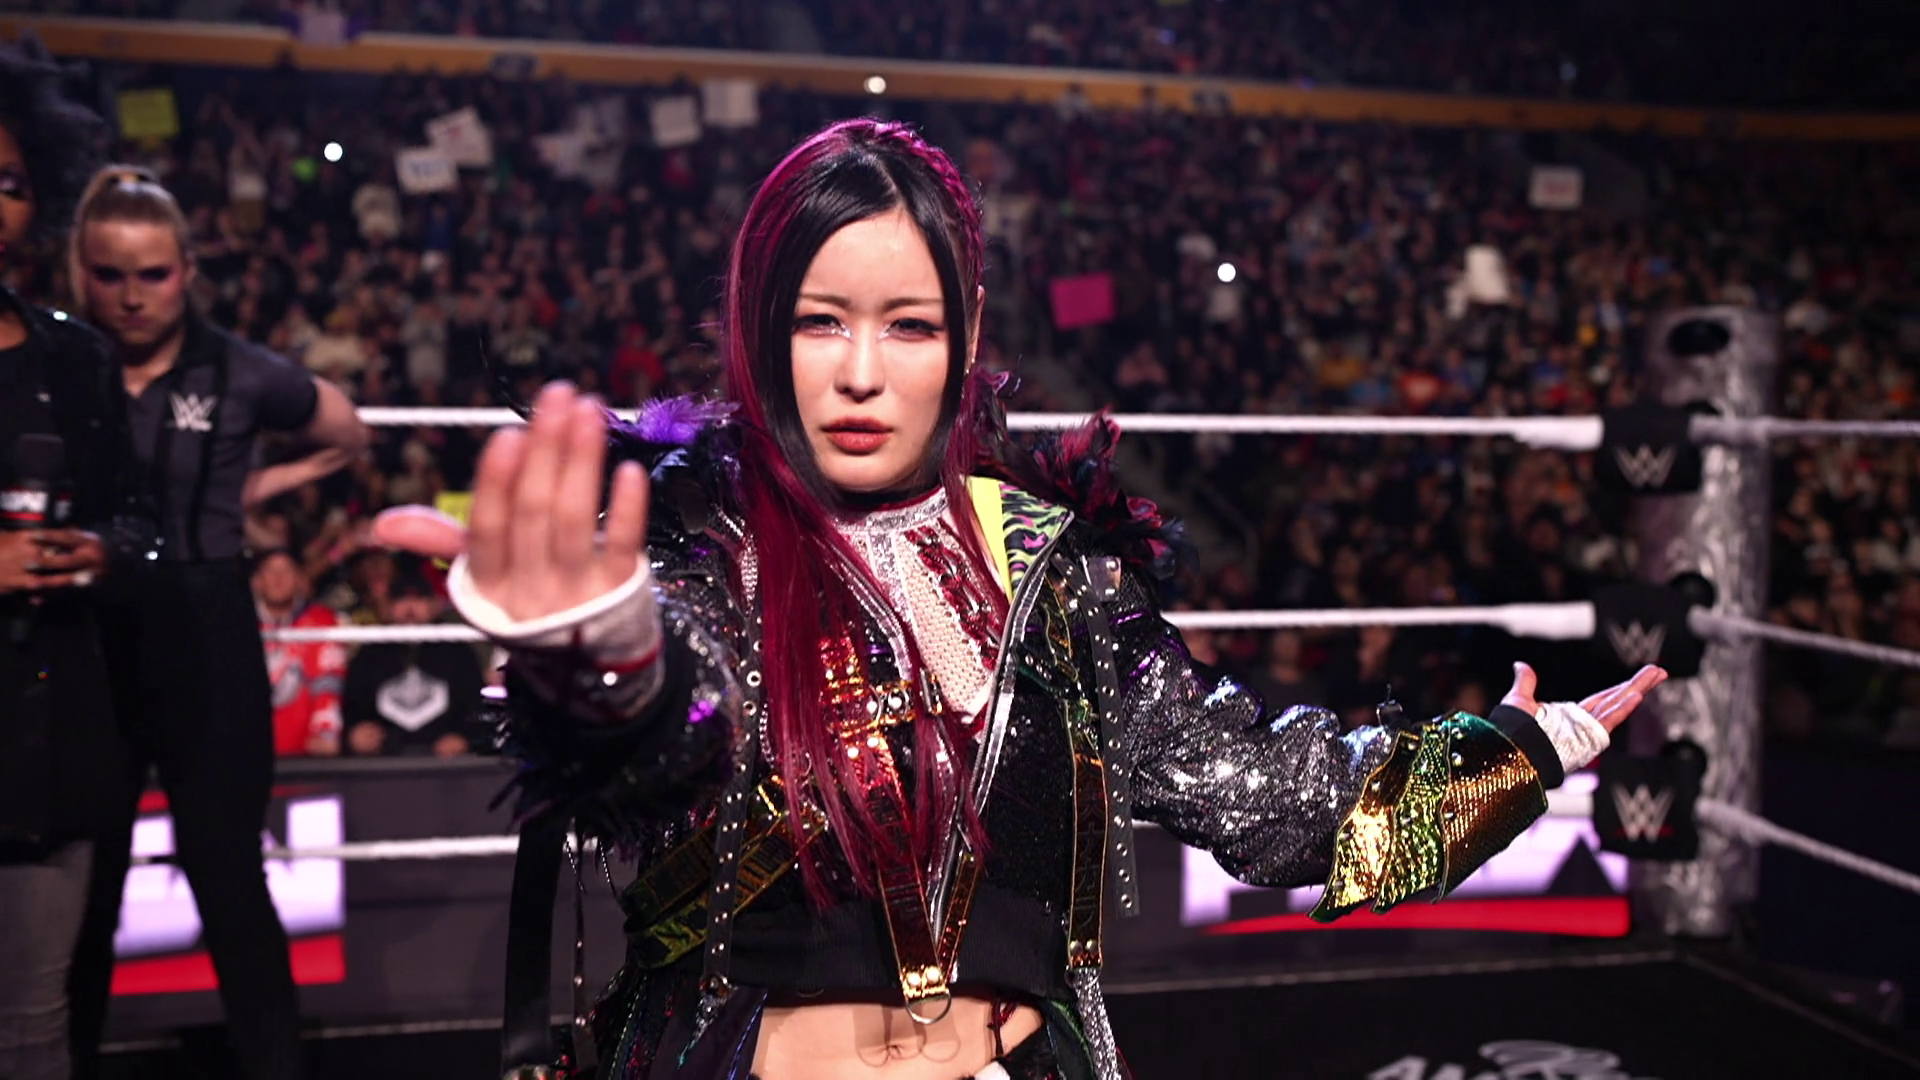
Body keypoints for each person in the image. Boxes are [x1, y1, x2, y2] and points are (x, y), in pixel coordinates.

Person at [376, 119, 1666, 1080]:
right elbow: (669, 724)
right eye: (822, 322)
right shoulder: (700, 544)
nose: (863, 374)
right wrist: (598, 649)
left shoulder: (1055, 573)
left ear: (969, 329)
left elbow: (1268, 798)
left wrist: (1522, 751)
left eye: (910, 326)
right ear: (759, 325)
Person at [64, 167, 371, 1080]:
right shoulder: (55, 362)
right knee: (84, 896)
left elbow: (347, 432)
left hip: (206, 634)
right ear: (81, 272)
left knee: (231, 880)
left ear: (187, 272)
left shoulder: (236, 368)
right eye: (110, 273)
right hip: (86, 640)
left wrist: (251, 487)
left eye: (153, 273)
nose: (132, 294)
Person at [0, 38, 153, 1080]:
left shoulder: (78, 357)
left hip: (49, 743)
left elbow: (138, 522)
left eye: (10, 184)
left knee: (33, 1026)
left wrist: (100, 551)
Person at [340, 560, 482, 758]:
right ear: (388, 607)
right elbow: (353, 708)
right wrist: (355, 733)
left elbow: (476, 706)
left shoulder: (458, 651)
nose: (410, 607)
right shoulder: (369, 653)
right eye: (400, 599)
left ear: (434, 605)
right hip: (384, 760)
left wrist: (464, 737)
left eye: (419, 598)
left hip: (446, 763)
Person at [252, 547, 346, 757]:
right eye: (270, 571)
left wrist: (326, 733)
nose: (278, 579)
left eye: (286, 571)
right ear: (256, 581)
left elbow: (328, 684)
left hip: (304, 749)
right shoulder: (236, 625)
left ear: (299, 580)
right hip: (246, 744)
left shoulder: (321, 621)